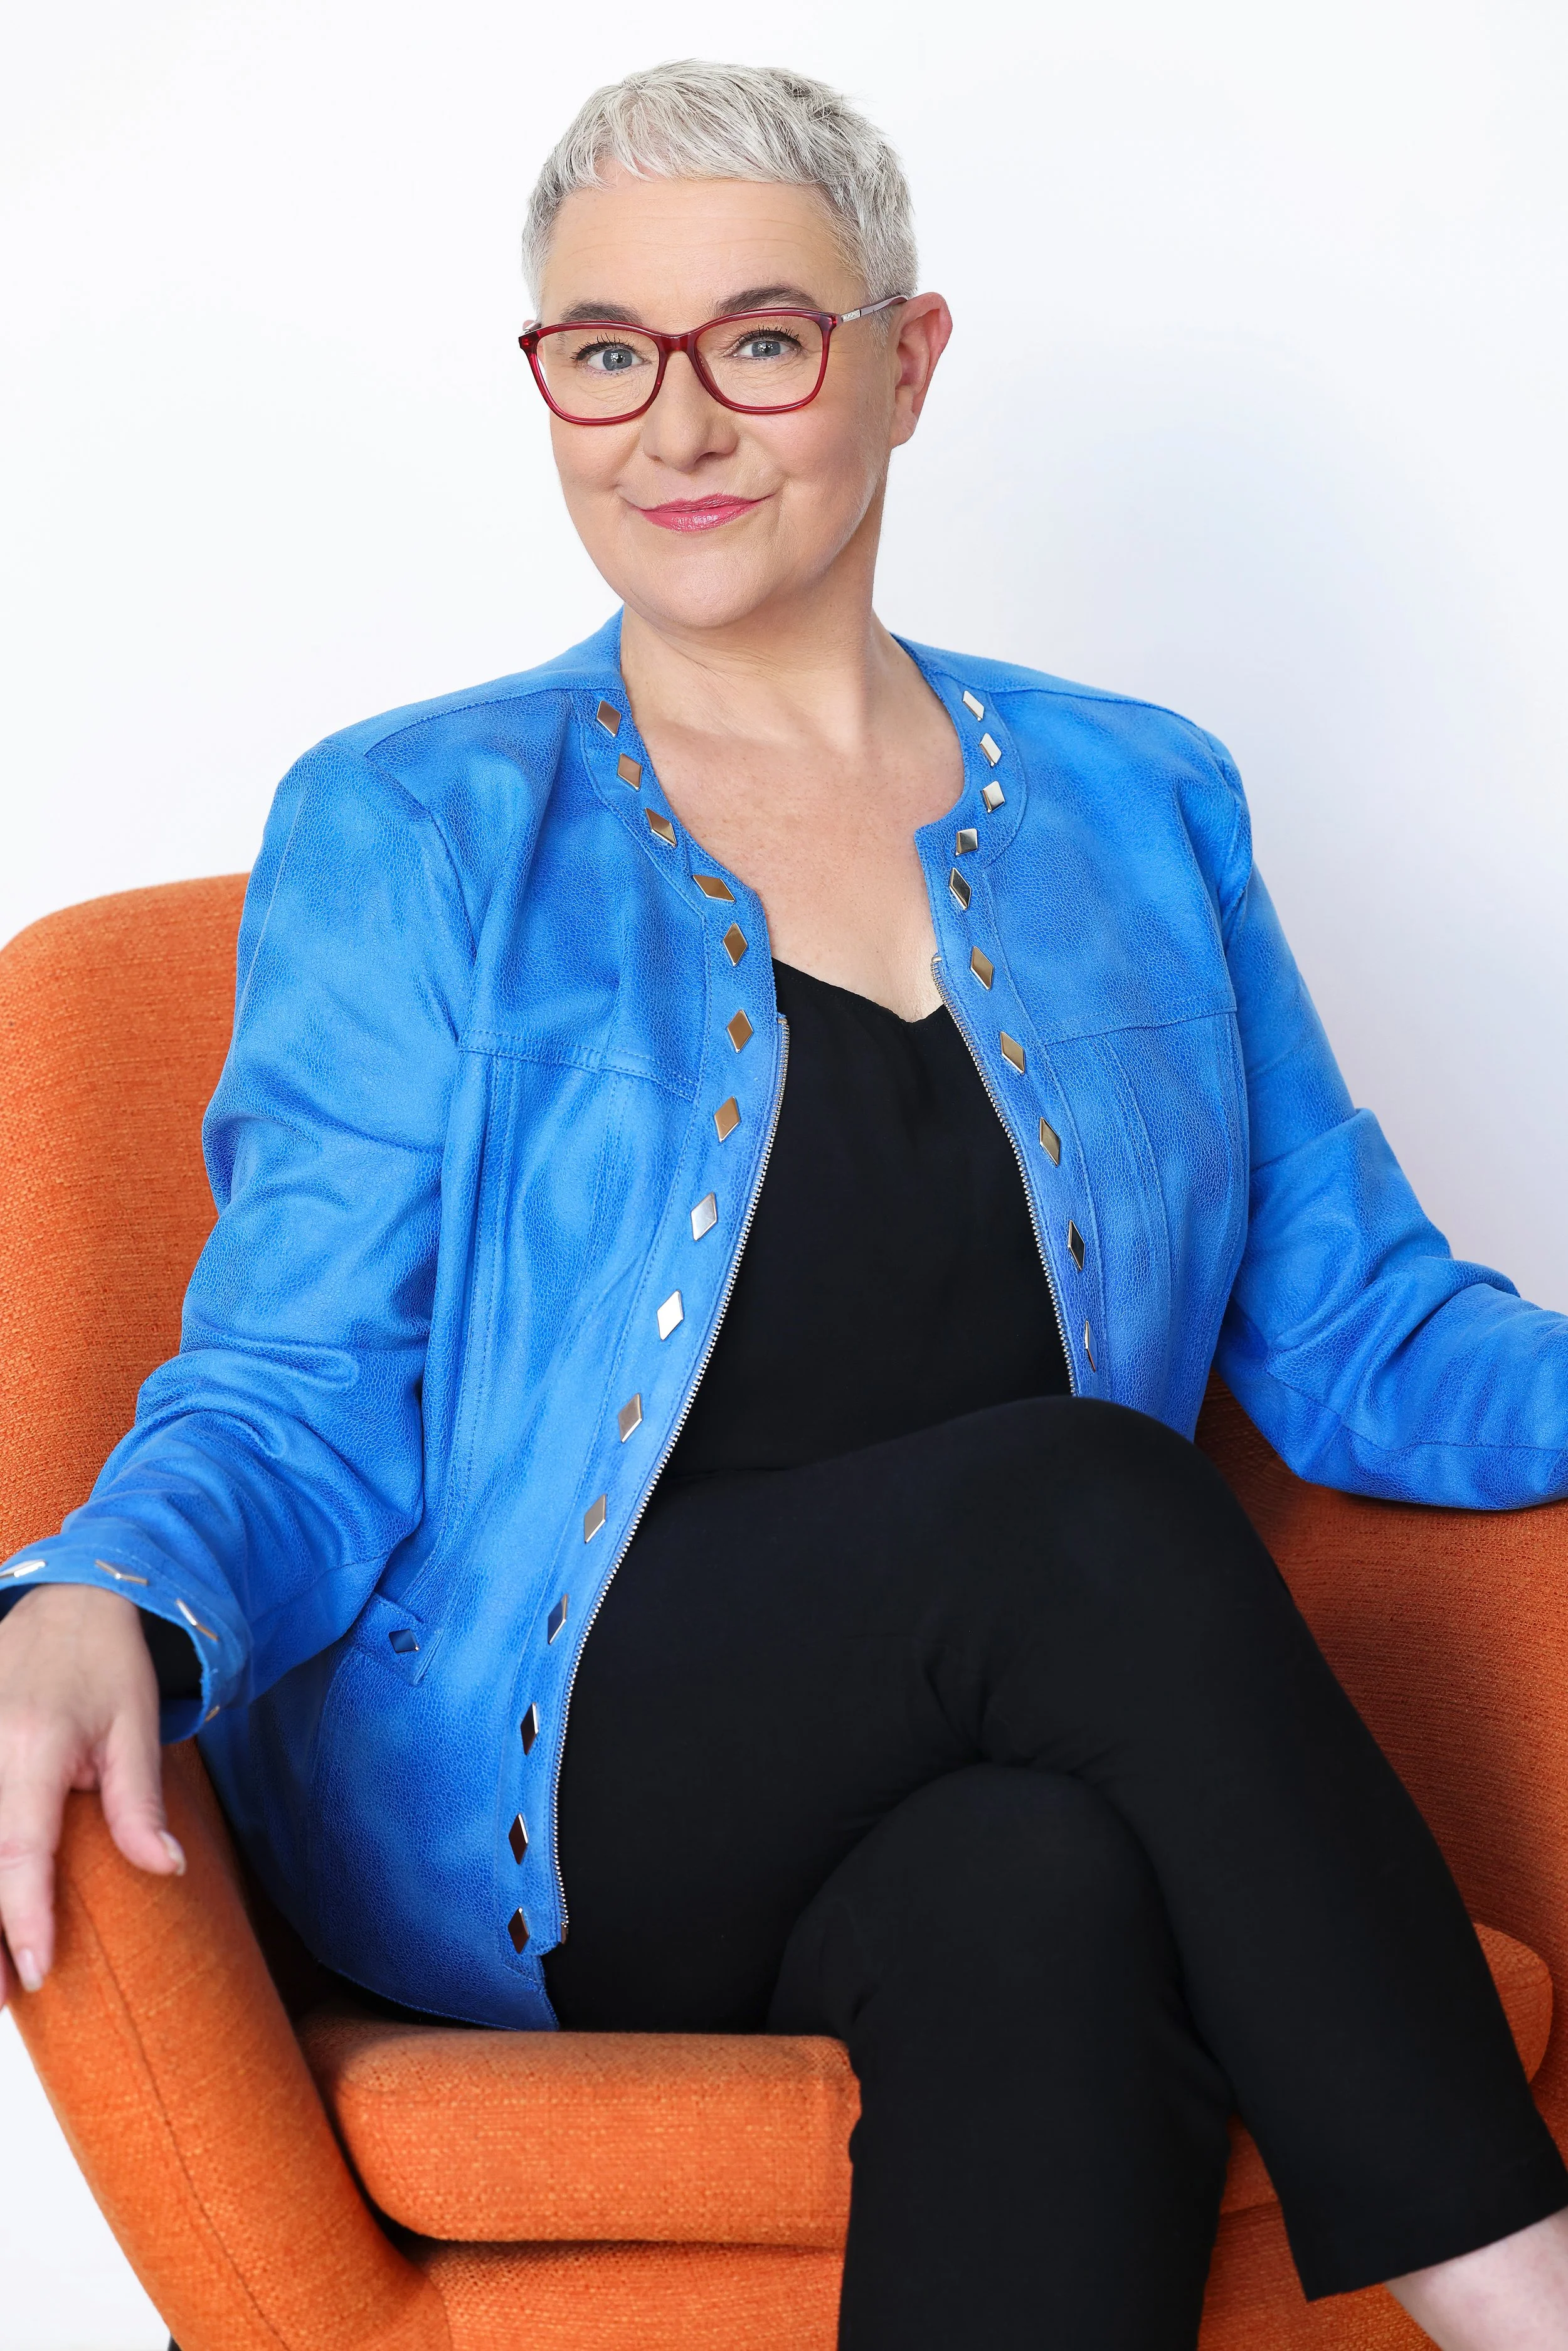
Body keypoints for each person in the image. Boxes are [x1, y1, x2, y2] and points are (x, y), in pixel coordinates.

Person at [3, 56, 1568, 2351]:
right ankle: (1522, 2293)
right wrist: (106, 1591)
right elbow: (297, 1376)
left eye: (761, 338)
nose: (677, 426)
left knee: (1038, 1904)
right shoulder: (424, 822)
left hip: (969, 1753)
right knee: (1083, 1503)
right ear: (544, 384)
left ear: (905, 361)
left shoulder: (1142, 804)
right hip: (542, 1779)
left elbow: (1355, 1333)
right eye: (604, 354)